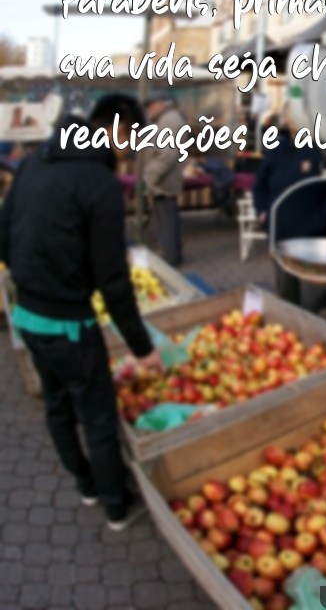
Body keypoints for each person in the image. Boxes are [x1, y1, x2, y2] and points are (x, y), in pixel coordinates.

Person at [0, 94, 163, 531]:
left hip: (28, 316)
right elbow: (113, 280)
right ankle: (116, 506)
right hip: (69, 324)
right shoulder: (100, 184)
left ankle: (87, 486)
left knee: (57, 407)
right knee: (98, 416)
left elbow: (3, 231)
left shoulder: (34, 163)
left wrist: (30, 277)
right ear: (118, 125)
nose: (129, 150)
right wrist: (142, 348)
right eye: (132, 138)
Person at [253, 106, 326, 312]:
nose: (296, 117)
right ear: (286, 118)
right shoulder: (277, 150)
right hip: (282, 241)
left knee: (314, 305)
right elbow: (259, 186)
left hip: (316, 245)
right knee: (286, 302)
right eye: (291, 113)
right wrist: (264, 213)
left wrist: (317, 223)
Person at [143, 94, 184, 266]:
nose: (148, 110)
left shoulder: (169, 121)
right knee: (168, 217)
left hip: (165, 179)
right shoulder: (168, 119)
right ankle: (173, 253)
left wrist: (152, 175)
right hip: (166, 177)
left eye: (150, 105)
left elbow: (167, 154)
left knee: (167, 218)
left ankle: (171, 256)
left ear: (159, 104)